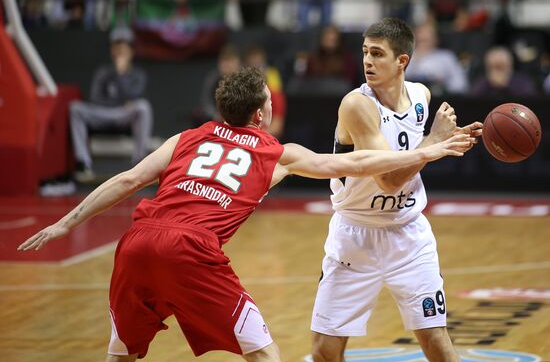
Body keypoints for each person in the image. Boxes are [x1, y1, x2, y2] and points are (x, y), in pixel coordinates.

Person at [18, 67, 473, 362]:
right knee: (265, 356)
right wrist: (429, 151)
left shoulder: (185, 138)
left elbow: (125, 181)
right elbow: (354, 164)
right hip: (190, 249)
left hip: (136, 243)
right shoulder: (275, 152)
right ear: (260, 113)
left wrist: (66, 222)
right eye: (270, 103)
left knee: (121, 355)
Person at [310, 18, 482, 362]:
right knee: (325, 352)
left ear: (402, 60)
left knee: (436, 341)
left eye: (377, 54)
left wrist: (447, 139)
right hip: (355, 234)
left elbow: (419, 149)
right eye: (364, 52)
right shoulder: (357, 105)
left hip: (408, 233)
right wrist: (434, 141)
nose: (367, 62)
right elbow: (387, 178)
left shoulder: (421, 96)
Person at [69, 26, 153, 182]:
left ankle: (139, 162)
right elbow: (95, 99)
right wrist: (121, 101)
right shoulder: (104, 72)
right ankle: (83, 163)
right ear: (111, 51)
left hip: (125, 116)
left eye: (123, 47)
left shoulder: (138, 74)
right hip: (104, 114)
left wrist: (121, 75)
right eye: (116, 48)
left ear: (131, 51)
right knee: (76, 108)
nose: (120, 51)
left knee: (143, 107)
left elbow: (136, 96)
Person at [405, 21, 468, 95]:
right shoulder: (406, 56)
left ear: (436, 39)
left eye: (427, 40)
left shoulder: (446, 57)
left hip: (439, 97)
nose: (423, 44)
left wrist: (444, 85)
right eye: (421, 40)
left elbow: (461, 84)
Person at [244, 44, 287, 139]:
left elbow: (276, 127)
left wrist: (254, 139)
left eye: (258, 65)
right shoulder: (241, 95)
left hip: (264, 140)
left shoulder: (275, 95)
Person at [193, 44, 241, 126]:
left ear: (238, 63)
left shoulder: (244, 80)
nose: (227, 66)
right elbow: (206, 101)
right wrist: (214, 114)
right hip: (216, 118)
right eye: (224, 62)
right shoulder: (213, 79)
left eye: (230, 62)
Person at [471, 46, 538, 97]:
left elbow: (529, 99)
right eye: (494, 67)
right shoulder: (482, 83)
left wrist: (505, 86)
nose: (498, 72)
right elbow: (474, 99)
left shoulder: (523, 81)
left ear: (510, 65)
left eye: (501, 66)